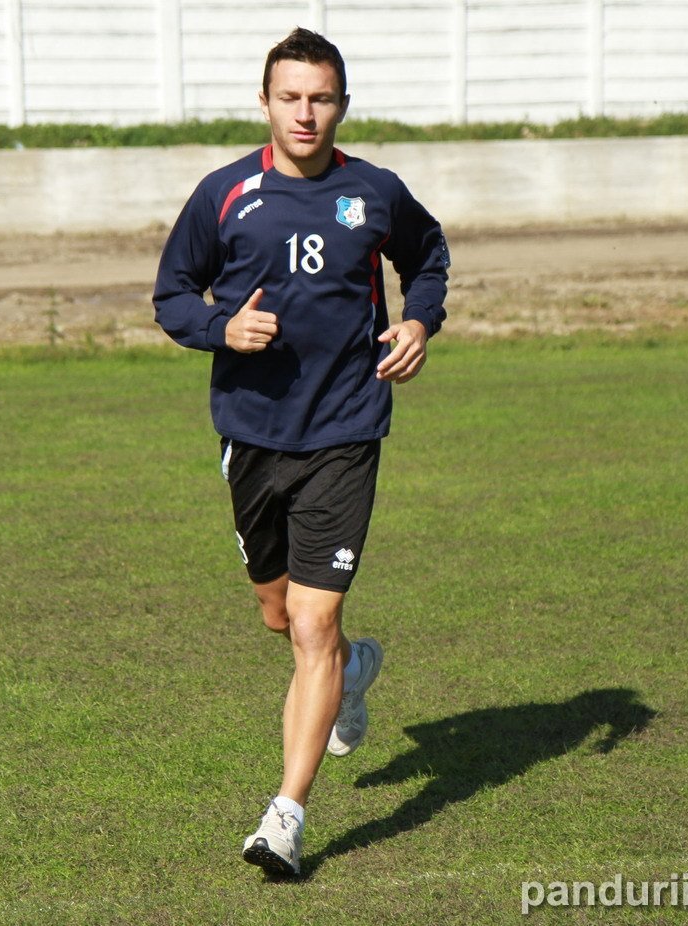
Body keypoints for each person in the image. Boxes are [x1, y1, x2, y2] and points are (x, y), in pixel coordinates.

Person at [152, 27, 449, 877]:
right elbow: (172, 294)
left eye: (321, 98)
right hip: (252, 434)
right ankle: (353, 671)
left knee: (314, 623)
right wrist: (221, 328)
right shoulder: (223, 195)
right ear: (265, 102)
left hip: (346, 432)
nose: (306, 113)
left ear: (342, 104)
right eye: (291, 97)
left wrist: (418, 320)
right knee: (280, 615)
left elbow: (428, 257)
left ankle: (285, 816)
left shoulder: (375, 192)